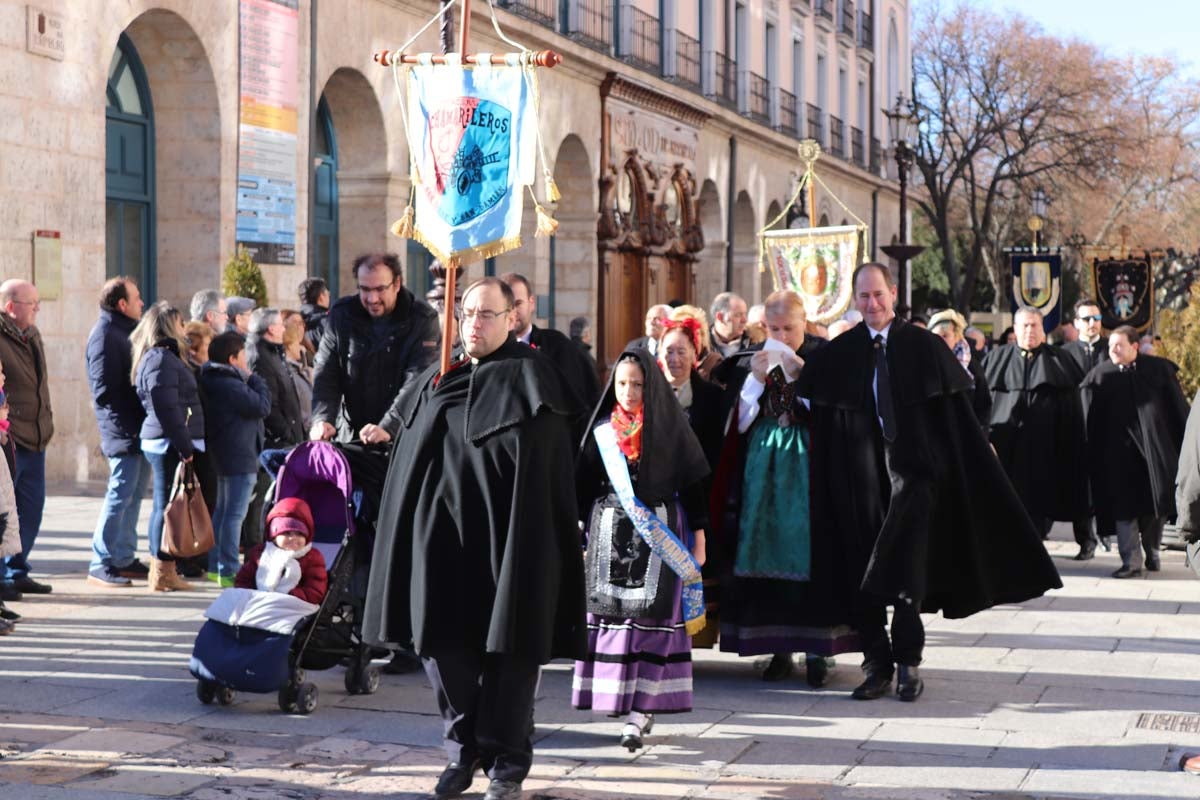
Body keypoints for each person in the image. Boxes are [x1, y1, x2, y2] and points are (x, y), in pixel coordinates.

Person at [363, 277, 585, 800]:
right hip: (440, 544)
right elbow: (407, 455)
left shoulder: (537, 380)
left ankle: (507, 764)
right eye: (465, 313)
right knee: (444, 649)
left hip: (509, 545)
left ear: (513, 318)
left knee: (510, 654)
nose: (473, 324)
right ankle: (461, 752)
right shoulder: (437, 375)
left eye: (486, 314)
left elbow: (545, 476)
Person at [800, 264, 1061, 702]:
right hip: (859, 484)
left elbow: (956, 420)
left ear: (894, 292)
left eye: (879, 294)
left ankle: (908, 664)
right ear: (854, 299)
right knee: (862, 574)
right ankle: (875, 664)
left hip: (914, 480)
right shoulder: (839, 353)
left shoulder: (925, 348)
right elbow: (816, 412)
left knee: (908, 574)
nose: (872, 304)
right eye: (863, 296)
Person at [572, 347, 709, 751]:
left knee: (653, 625)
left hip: (661, 534)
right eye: (622, 384)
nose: (629, 392)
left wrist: (700, 539)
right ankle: (618, 701)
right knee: (615, 621)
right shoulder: (600, 431)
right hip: (609, 538)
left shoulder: (672, 428)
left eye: (637, 384)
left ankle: (642, 711)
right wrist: (578, 529)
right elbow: (580, 486)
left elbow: (696, 484)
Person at [717, 291, 846, 685]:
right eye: (774, 329)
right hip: (765, 467)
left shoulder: (824, 355)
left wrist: (802, 375)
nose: (782, 336)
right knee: (765, 548)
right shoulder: (753, 358)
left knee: (812, 553)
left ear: (804, 321)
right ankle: (777, 646)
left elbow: (834, 414)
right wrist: (755, 382)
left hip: (811, 466)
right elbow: (737, 423)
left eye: (789, 328)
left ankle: (819, 651)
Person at [1080, 326, 1188, 578]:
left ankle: (1152, 552)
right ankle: (1131, 562)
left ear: (1135, 347)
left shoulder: (1158, 370)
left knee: (1154, 507)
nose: (1113, 350)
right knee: (1122, 507)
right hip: (1117, 457)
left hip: (1154, 456)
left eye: (1119, 345)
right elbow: (1090, 419)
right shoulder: (1100, 376)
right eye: (1110, 346)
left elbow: (1177, 411)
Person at [982, 307, 1090, 544]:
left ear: (1043, 330)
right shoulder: (995, 359)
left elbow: (1073, 409)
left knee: (1040, 503)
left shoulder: (1060, 360)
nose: (1030, 331)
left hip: (1045, 447)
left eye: (1035, 326)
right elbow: (981, 404)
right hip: (1005, 448)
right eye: (1025, 326)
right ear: (1015, 328)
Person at [310, 252, 439, 446]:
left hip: (402, 435)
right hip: (350, 432)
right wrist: (322, 419)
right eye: (365, 289)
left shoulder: (422, 318)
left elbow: (417, 379)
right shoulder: (342, 314)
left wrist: (389, 427)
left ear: (397, 284)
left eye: (380, 289)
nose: (372, 298)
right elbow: (326, 371)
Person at [131, 301, 205, 593]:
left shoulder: (162, 357)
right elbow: (167, 407)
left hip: (166, 439)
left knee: (166, 505)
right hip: (166, 442)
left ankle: (164, 569)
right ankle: (162, 572)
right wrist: (184, 445)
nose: (185, 328)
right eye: (181, 322)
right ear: (169, 327)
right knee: (166, 507)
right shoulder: (160, 359)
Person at [86, 278, 150, 587]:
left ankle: (124, 557)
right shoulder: (105, 336)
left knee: (135, 495)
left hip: (137, 429)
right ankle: (101, 560)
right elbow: (105, 392)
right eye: (136, 298)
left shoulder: (126, 332)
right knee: (119, 494)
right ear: (121, 304)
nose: (142, 303)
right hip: (123, 430)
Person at [200, 332, 271, 586]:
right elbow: (261, 406)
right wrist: (256, 380)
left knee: (223, 512)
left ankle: (215, 565)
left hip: (226, 453)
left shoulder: (214, 379)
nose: (246, 361)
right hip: (239, 456)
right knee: (234, 515)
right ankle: (228, 569)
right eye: (243, 356)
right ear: (232, 359)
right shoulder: (230, 383)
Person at [0, 279, 54, 598]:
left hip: (36, 435)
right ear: (10, 307)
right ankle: (3, 577)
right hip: (11, 436)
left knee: (31, 508)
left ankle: (18, 569)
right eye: (31, 302)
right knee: (5, 512)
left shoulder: (32, 334)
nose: (37, 308)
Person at [500, 272, 601, 407]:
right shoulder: (490, 349)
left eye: (518, 303)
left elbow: (581, 396)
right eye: (507, 306)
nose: (513, 312)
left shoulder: (558, 346)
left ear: (532, 303)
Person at [1061, 298, 1112, 559]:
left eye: (1096, 319)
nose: (1092, 324)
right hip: (1076, 428)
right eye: (1087, 319)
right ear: (1076, 323)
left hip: (1108, 429)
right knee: (1080, 487)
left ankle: (1106, 532)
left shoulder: (1111, 348)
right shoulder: (1065, 352)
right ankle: (1086, 541)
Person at [235, 496, 328, 604]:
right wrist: (250, 595)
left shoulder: (312, 558)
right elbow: (243, 580)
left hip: (294, 607)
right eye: (287, 533)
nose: (293, 538)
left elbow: (316, 592)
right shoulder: (261, 554)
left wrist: (288, 595)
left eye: (300, 534)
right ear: (273, 536)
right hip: (260, 603)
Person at [928, 309, 991, 429]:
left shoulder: (972, 366)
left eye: (946, 335)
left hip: (966, 433)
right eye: (936, 336)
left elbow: (983, 406)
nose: (940, 340)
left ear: (957, 336)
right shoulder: (923, 363)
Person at [281, 310, 315, 429]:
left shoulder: (308, 351)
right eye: (295, 322)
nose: (299, 327)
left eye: (301, 323)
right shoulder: (284, 365)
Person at [709, 292, 750, 359]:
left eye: (745, 314)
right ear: (720, 317)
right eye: (738, 315)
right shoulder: (701, 345)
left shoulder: (755, 341)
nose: (744, 320)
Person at [297, 277, 330, 350]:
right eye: (328, 294)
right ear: (321, 296)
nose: (329, 297)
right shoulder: (328, 321)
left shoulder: (294, 320)